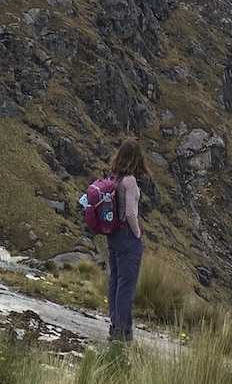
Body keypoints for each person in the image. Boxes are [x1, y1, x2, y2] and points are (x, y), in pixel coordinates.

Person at [106, 136, 148, 342]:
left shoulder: (114, 176)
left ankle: (115, 325)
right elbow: (131, 212)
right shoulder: (130, 181)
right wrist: (137, 233)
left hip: (113, 235)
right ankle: (124, 331)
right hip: (126, 236)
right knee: (126, 284)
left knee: (115, 280)